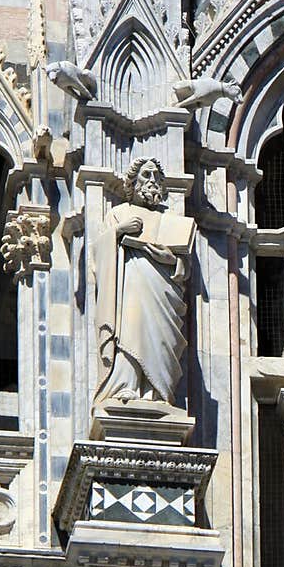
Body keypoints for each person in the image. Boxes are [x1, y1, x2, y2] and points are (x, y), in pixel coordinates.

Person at [92, 158, 194, 409]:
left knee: (159, 339)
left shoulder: (170, 220)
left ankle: (156, 392)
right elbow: (97, 255)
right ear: (133, 181)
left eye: (158, 176)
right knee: (130, 328)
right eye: (147, 174)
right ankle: (125, 385)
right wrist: (118, 231)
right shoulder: (119, 214)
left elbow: (184, 267)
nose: (152, 181)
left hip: (163, 290)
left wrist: (168, 258)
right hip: (130, 286)